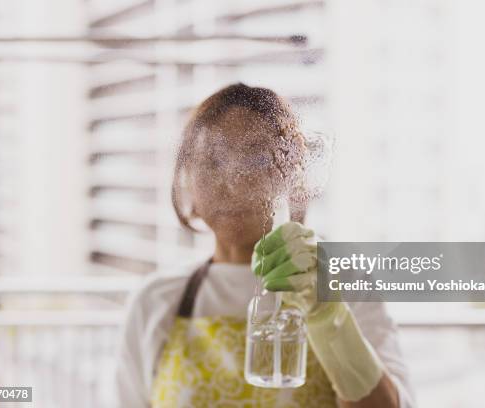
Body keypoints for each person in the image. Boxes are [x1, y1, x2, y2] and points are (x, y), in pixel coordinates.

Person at [115, 83, 415, 407]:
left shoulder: (345, 284)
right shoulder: (155, 301)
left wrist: (329, 318)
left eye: (255, 158)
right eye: (212, 161)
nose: (232, 180)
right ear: (188, 182)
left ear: (291, 173)